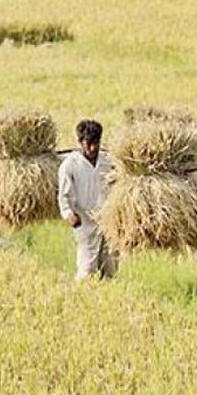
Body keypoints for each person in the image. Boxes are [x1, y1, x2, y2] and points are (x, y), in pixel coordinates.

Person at [58, 120, 118, 281]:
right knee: (87, 268)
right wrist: (69, 214)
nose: (92, 148)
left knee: (110, 266)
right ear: (80, 142)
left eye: (96, 143)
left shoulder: (109, 162)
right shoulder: (70, 165)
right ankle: (83, 298)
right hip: (84, 221)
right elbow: (64, 196)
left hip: (109, 219)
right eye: (88, 144)